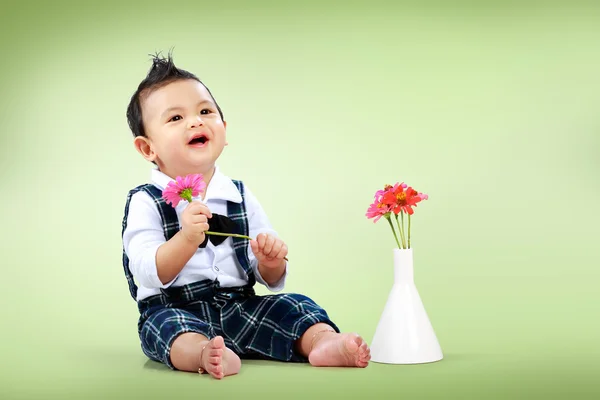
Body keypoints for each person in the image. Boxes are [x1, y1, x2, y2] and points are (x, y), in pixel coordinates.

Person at [121, 52, 371, 379]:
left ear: (223, 130)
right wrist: (184, 239)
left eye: (205, 111)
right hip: (177, 309)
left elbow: (267, 273)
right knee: (166, 330)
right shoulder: (147, 201)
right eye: (175, 119)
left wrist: (270, 259)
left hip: (241, 307)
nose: (195, 121)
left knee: (294, 306)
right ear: (147, 148)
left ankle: (323, 342)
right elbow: (146, 270)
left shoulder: (237, 194)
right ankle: (204, 354)